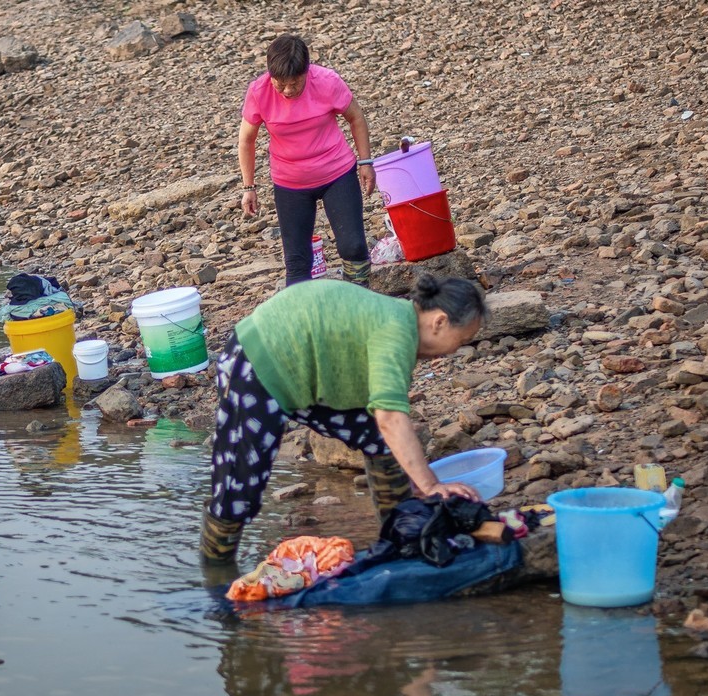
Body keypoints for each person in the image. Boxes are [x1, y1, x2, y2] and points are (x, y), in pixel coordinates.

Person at [199, 274, 490, 564]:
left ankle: (404, 537)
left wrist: (417, 479)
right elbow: (390, 417)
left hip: (305, 372)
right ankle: (216, 574)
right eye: (461, 339)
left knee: (379, 440)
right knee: (239, 488)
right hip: (258, 360)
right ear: (439, 322)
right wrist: (430, 486)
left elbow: (384, 422)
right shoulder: (396, 331)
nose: (456, 350)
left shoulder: (400, 323)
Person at [238, 34, 376, 287]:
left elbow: (356, 117)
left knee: (353, 246)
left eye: (295, 83)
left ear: (307, 71)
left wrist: (365, 162)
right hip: (290, 182)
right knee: (297, 260)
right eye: (281, 84)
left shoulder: (327, 81)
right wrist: (249, 187)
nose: (288, 90)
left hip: (337, 173)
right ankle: (304, 319)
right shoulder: (259, 91)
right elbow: (246, 140)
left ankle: (359, 304)